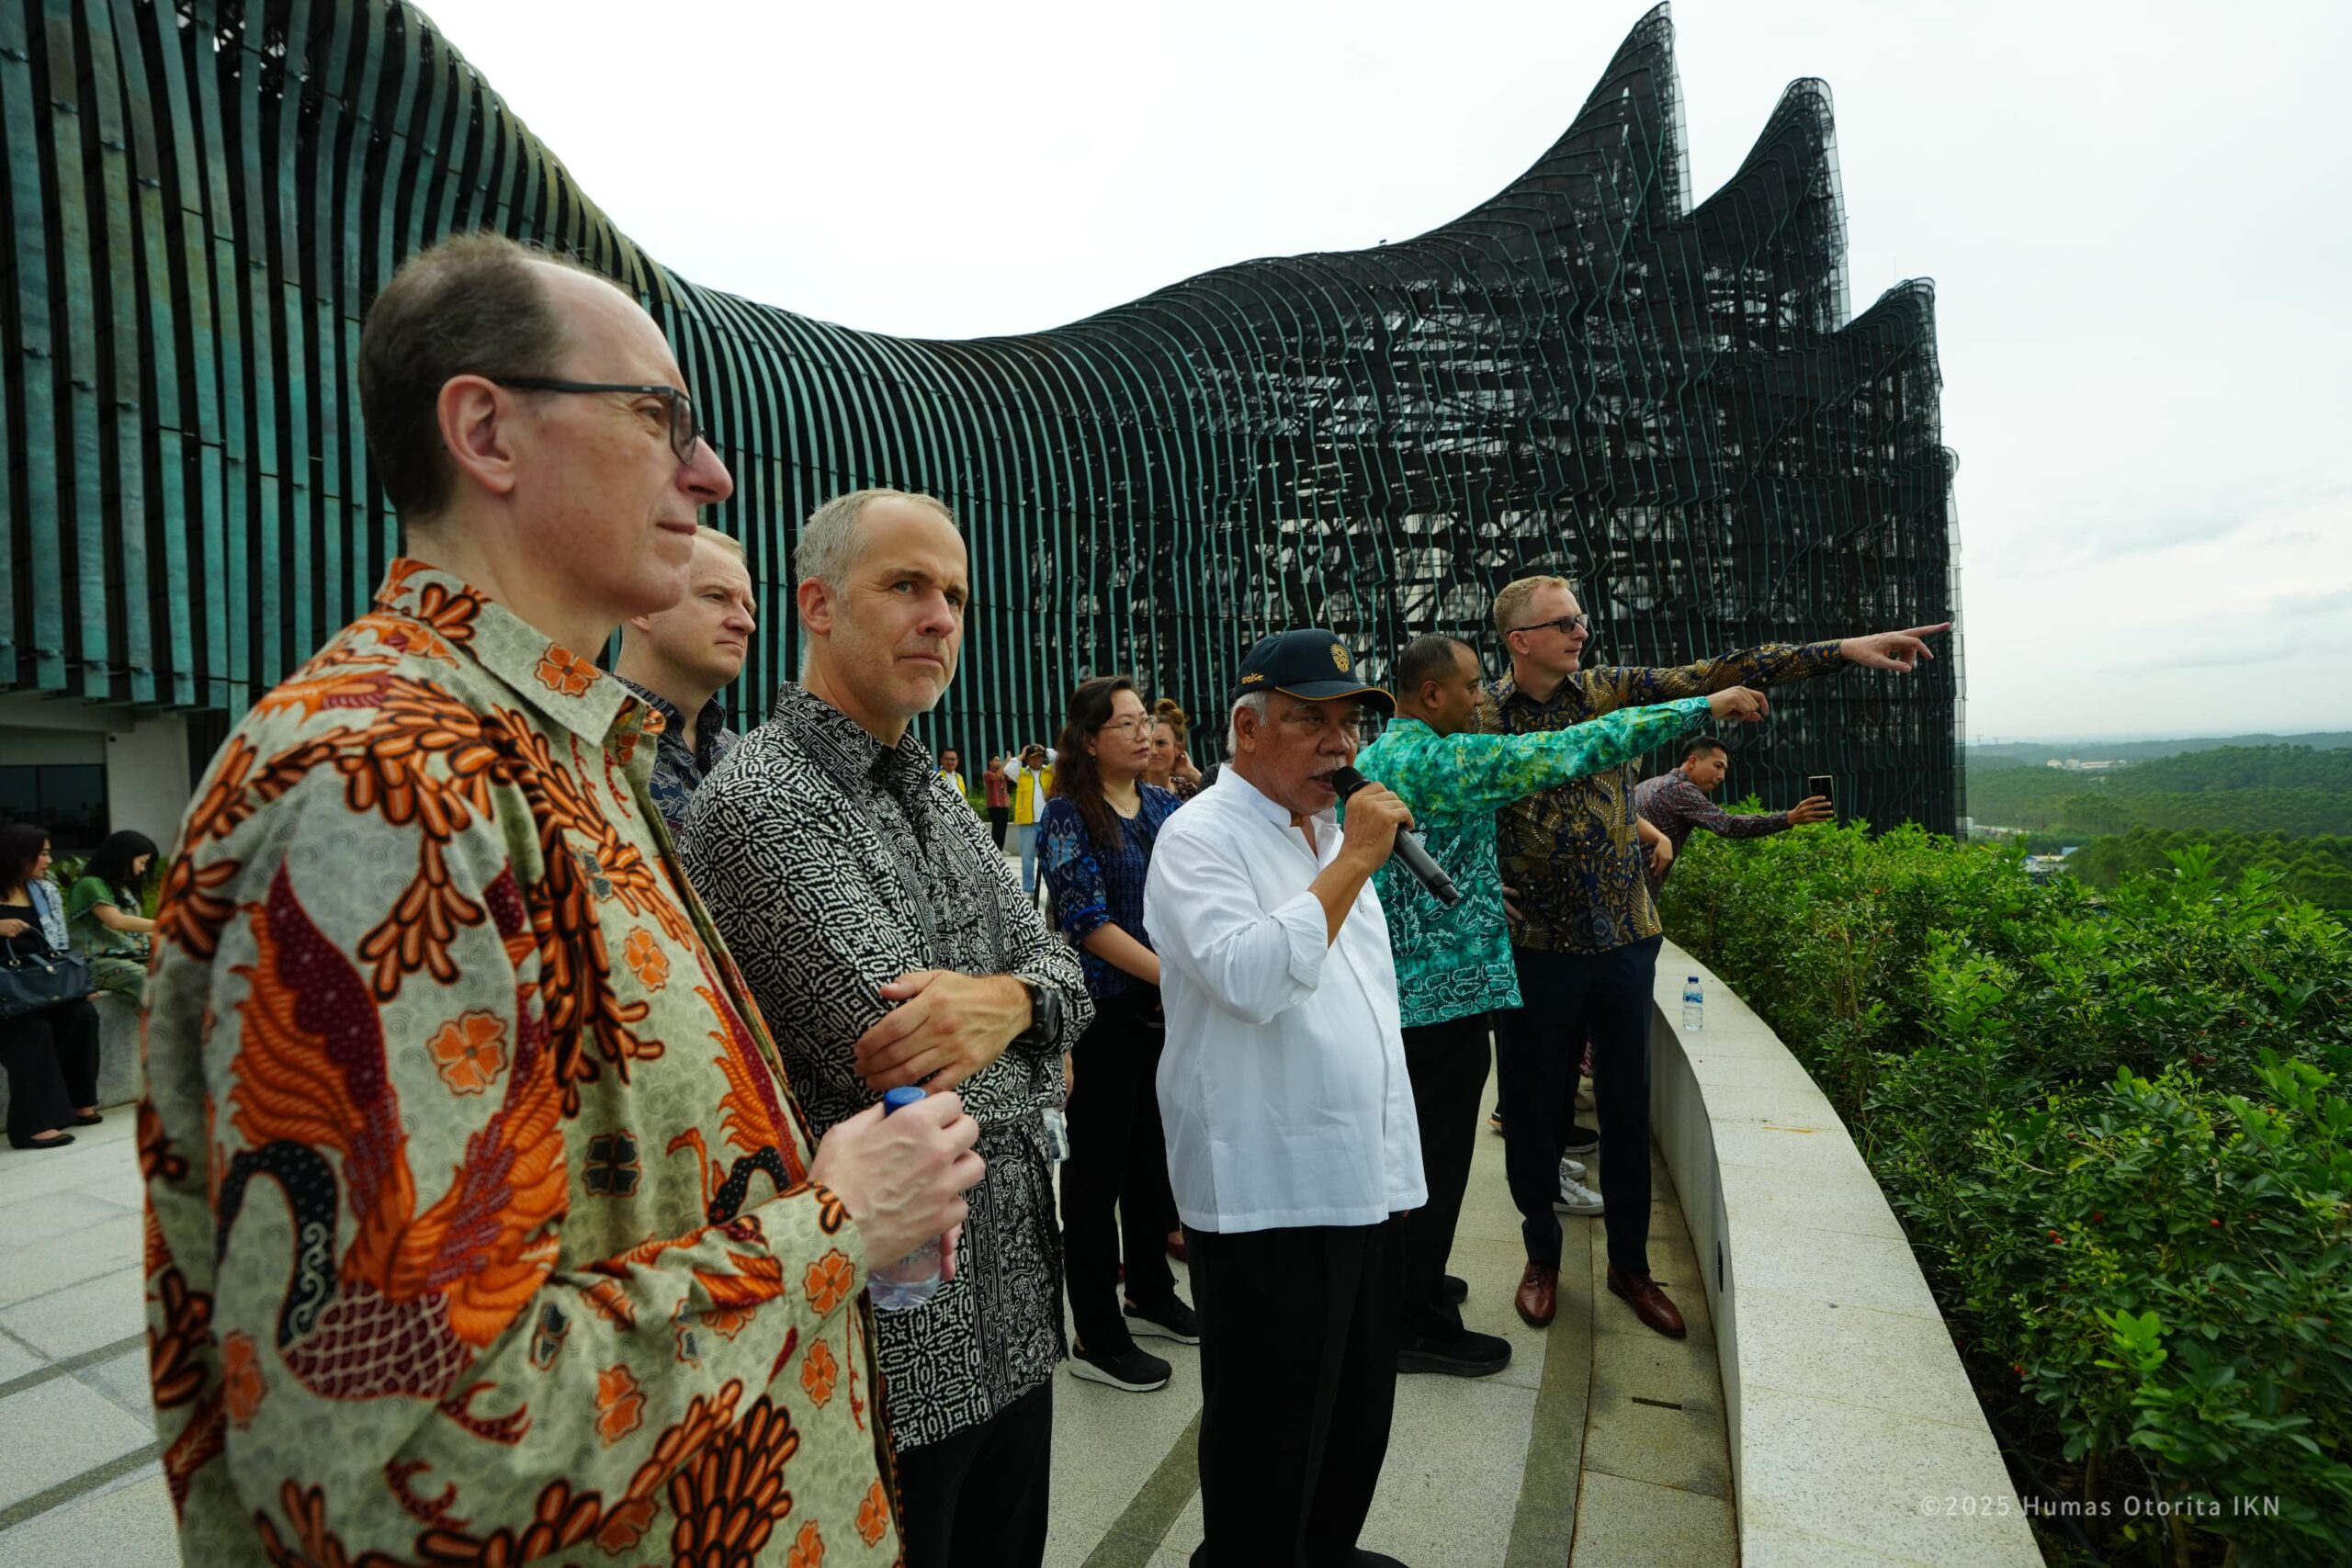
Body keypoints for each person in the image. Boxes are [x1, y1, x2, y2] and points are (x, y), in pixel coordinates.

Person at [140, 234, 980, 1565]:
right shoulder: (391, 780)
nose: (707, 474)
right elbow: (402, 1445)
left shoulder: (549, 749)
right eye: (659, 418)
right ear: (486, 430)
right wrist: (832, 1226)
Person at [680, 487, 1091, 1568]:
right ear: (816, 604)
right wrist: (1045, 1052)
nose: (941, 617)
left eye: (953, 593)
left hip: (1016, 1309)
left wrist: (1016, 1004)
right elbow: (903, 1071)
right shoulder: (761, 801)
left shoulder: (935, 787)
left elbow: (1064, 970)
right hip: (893, 1346)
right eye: (906, 585)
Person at [1484, 572, 1948, 1337]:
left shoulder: (1609, 690)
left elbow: (1714, 671)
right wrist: (1476, 889)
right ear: (1519, 641)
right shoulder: (1483, 714)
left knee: (1630, 1108)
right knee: (1535, 1110)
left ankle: (1631, 1266)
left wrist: (1837, 651)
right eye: (1563, 621)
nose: (1581, 630)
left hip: (1624, 938)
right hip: (1537, 945)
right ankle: (1542, 1255)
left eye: (1582, 618)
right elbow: (1437, 793)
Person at [1355, 636, 1763, 1376]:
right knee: (1431, 1168)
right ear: (1432, 695)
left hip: (1421, 994)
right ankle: (1411, 1321)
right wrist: (1703, 703)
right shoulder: (1436, 759)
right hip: (1433, 1004)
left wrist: (1479, 889)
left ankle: (1415, 1281)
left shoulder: (1393, 751)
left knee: (1421, 1162)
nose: (1484, 699)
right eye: (1473, 686)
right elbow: (1572, 748)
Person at [1145, 628, 1424, 1568]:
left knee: (1354, 1408)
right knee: (1270, 1427)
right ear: (1246, 727)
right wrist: (1351, 865)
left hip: (1361, 1176)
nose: (1339, 745)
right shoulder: (1199, 838)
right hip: (1269, 1187)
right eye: (1311, 720)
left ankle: (1321, 1550)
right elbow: (1251, 979)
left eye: (1351, 723)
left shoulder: (1327, 831)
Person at [1039, 676, 1199, 1393]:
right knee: (1096, 1172)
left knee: (1151, 1161)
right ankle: (1096, 1330)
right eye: (1127, 724)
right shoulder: (1069, 813)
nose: (1144, 734)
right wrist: (1173, 975)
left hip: (1164, 1014)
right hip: (1104, 1015)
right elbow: (1086, 921)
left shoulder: (1166, 805)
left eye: (1146, 722)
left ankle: (1152, 1292)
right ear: (1091, 738)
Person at [613, 522, 757, 834]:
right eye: (717, 597)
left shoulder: (752, 763)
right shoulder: (570, 743)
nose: (746, 623)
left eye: (748, 607)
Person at [0, 824, 102, 1149]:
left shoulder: (45, 890)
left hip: (38, 981)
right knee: (31, 1031)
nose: (49, 860)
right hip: (5, 993)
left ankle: (77, 1101)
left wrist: (73, 983)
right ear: (17, 855)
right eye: (42, 853)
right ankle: (31, 1126)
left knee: (81, 1014)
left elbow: (57, 941)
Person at [1634, 737, 1834, 888]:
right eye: (1717, 766)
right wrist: (1789, 817)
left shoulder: (1647, 785)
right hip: (1634, 896)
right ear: (1692, 761)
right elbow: (1729, 825)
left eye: (1724, 770)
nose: (1721, 776)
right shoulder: (1681, 789)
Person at [65, 828, 160, 1003]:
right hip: (98, 962)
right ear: (122, 858)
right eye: (141, 862)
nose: (143, 869)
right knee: (147, 981)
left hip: (135, 958)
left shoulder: (123, 888)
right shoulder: (89, 885)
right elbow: (116, 922)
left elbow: (136, 932)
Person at [1007, 742, 1055, 894]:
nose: (1038, 760)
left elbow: (1060, 758)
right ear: (1027, 760)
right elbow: (1008, 768)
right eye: (1034, 758)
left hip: (1048, 822)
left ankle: (1054, 889)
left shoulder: (1050, 772)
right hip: (1027, 822)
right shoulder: (1021, 774)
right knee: (1027, 858)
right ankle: (1028, 888)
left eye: (1040, 757)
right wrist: (1021, 754)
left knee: (1050, 857)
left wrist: (1045, 750)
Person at [1146, 698, 1204, 801]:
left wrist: (1191, 772)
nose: (1153, 751)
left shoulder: (1187, 791)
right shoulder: (1128, 791)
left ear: (1178, 748)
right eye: (1148, 743)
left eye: (1161, 743)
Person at [983, 755, 1012, 849]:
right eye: (996, 760)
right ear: (990, 762)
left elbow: (1011, 778)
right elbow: (996, 776)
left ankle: (1001, 848)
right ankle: (995, 849)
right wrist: (1005, 763)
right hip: (994, 804)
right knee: (997, 827)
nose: (998, 762)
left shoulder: (1003, 773)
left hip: (1004, 804)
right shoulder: (987, 774)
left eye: (999, 761)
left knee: (1003, 827)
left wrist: (1010, 764)